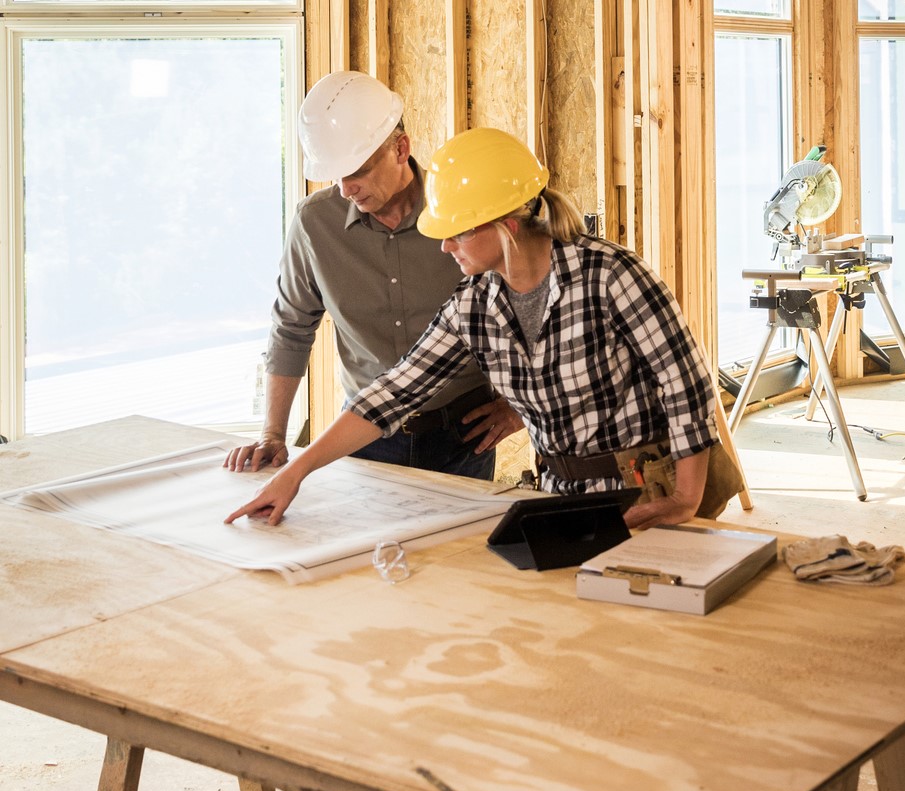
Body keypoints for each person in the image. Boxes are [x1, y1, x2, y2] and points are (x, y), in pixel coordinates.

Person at [224, 74, 521, 791]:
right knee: (352, 618)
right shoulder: (316, 223)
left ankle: (435, 787)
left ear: (402, 146)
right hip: (366, 437)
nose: (350, 186)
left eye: (360, 167)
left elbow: (532, 308)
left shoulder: (459, 210)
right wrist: (274, 435)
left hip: (461, 431)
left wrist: (516, 409)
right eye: (338, 174)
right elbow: (291, 324)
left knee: (452, 617)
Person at [225, 126, 731, 535]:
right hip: (559, 494)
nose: (445, 248)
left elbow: (684, 385)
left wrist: (685, 497)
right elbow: (390, 394)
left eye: (456, 233)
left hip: (647, 487)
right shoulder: (475, 306)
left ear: (505, 226)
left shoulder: (610, 276)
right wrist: (296, 472)